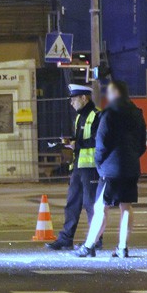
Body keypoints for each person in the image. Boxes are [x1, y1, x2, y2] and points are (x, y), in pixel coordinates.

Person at [76, 80, 147, 258]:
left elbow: (102, 143)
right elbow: (142, 143)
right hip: (131, 167)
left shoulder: (109, 114)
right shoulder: (137, 114)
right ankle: (122, 248)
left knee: (101, 206)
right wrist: (132, 157)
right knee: (126, 206)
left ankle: (89, 245)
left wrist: (99, 162)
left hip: (111, 169)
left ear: (114, 94)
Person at [45, 84, 102, 250]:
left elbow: (99, 140)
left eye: (74, 99)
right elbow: (81, 139)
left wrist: (77, 144)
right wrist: (70, 141)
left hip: (91, 168)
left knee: (91, 205)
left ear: (84, 98)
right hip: (78, 167)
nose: (71, 103)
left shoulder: (97, 116)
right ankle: (65, 238)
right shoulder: (79, 117)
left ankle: (95, 240)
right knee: (72, 203)